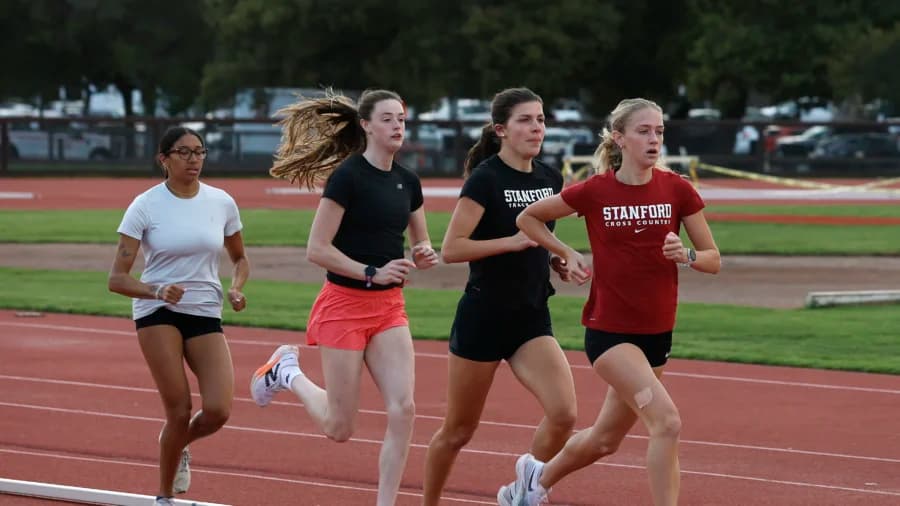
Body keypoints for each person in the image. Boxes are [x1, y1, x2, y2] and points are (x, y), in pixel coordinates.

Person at [507, 98, 721, 506]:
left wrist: (687, 256)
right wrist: (565, 251)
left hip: (656, 335)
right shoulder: (596, 190)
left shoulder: (677, 189)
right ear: (619, 138)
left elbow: (713, 260)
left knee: (605, 440)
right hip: (610, 333)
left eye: (659, 131)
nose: (654, 139)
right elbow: (528, 218)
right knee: (667, 423)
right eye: (644, 131)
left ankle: (533, 481)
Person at [249, 89, 439, 506]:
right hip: (344, 305)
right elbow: (317, 249)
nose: (397, 126)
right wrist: (371, 272)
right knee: (340, 427)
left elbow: (421, 242)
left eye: (402, 119)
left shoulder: (409, 181)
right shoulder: (348, 177)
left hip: (389, 308)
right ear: (367, 125)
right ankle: (286, 372)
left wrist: (424, 253)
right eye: (388, 119)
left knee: (404, 409)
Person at [421, 88, 577, 506]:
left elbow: (542, 238)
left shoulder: (549, 178)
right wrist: (510, 242)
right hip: (484, 317)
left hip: (530, 316)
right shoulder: (486, 179)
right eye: (526, 120)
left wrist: (555, 261)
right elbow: (451, 249)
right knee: (458, 430)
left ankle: (522, 491)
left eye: (541, 119)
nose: (537, 127)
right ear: (502, 130)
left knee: (564, 414)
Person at [108, 126, 249, 506]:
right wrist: (156, 290)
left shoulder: (221, 202)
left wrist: (236, 287)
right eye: (184, 152)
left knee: (218, 410)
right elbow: (116, 279)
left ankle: (177, 442)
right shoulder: (145, 205)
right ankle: (164, 496)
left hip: (204, 308)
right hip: (158, 310)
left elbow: (239, 258)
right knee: (180, 408)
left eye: (199, 152)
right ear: (164, 159)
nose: (194, 160)